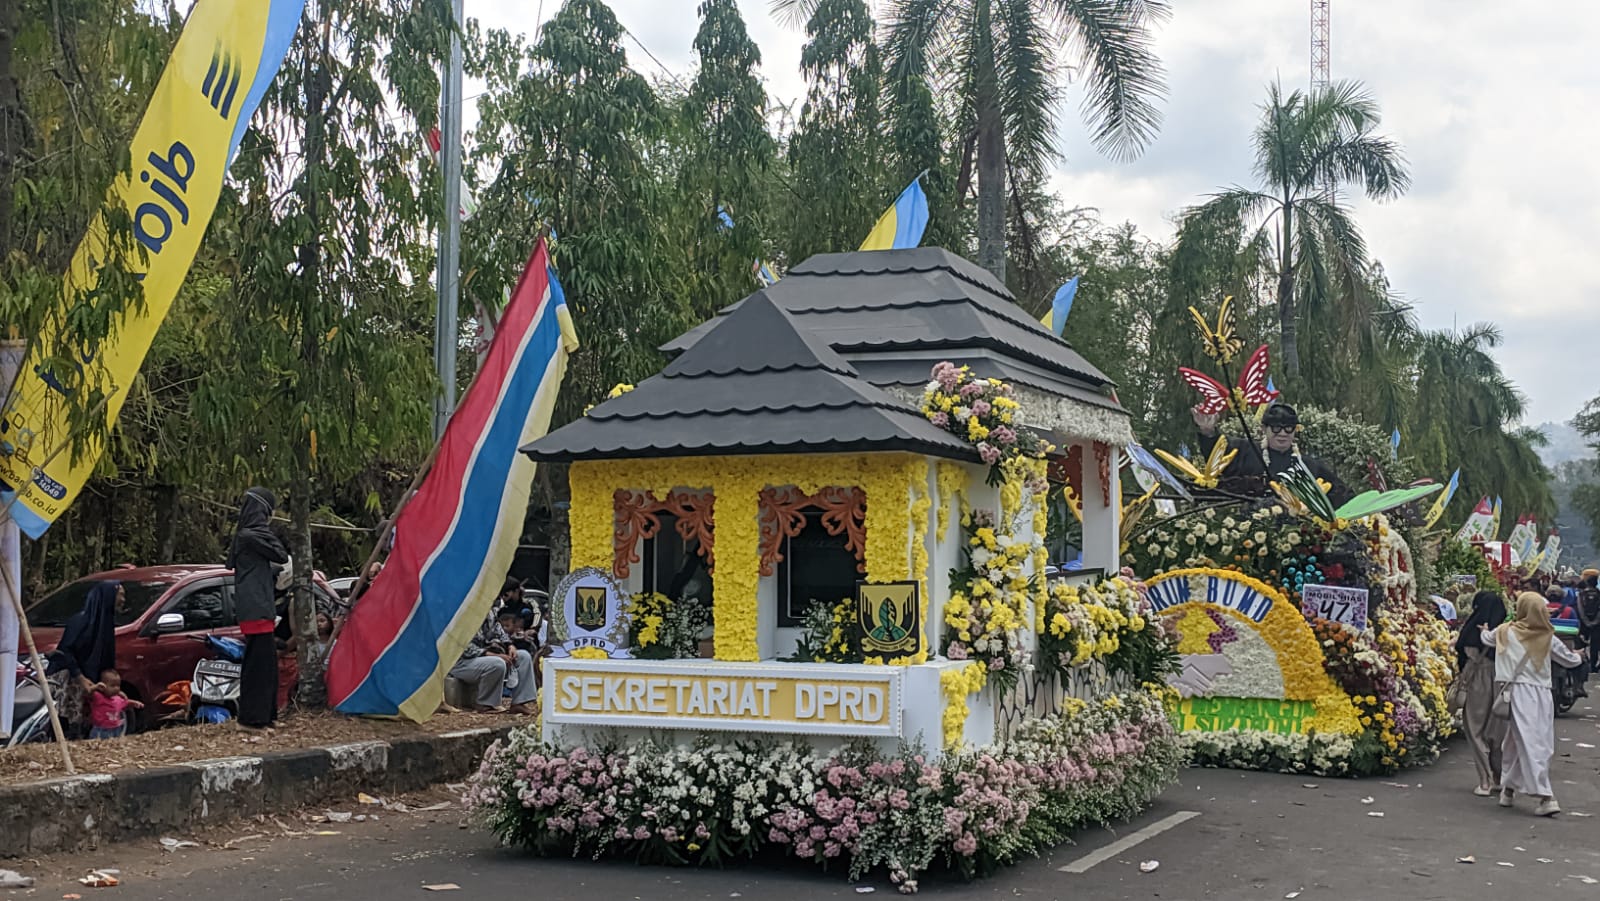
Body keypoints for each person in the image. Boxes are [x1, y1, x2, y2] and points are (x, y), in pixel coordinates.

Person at [1480, 591, 1586, 816]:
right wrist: (1580, 655)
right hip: (1540, 695)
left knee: (1516, 742)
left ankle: (1508, 790)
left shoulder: (1505, 631)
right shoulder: (1548, 637)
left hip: (1514, 693)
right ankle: (1545, 796)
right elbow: (1570, 660)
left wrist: (1484, 630)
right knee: (1535, 742)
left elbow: (1486, 639)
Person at [1193, 402, 1351, 506]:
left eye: (1288, 428)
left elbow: (1341, 494)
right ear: (1264, 429)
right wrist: (1208, 431)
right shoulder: (1245, 450)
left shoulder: (1309, 465)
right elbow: (1218, 454)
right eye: (1276, 428)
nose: (1282, 433)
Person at [228, 487, 289, 730]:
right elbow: (281, 554)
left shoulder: (249, 536)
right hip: (255, 607)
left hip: (260, 605)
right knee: (258, 666)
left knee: (267, 665)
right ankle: (251, 719)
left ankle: (267, 715)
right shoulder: (250, 535)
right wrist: (267, 529)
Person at [48, 581, 123, 737]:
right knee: (66, 724)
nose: (123, 599)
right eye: (120, 595)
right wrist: (81, 678)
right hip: (69, 677)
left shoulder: (106, 624)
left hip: (89, 681)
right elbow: (65, 651)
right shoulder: (81, 621)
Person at [1454, 591, 1508, 796]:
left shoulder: (1472, 630)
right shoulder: (1505, 632)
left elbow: (1464, 654)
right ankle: (1499, 777)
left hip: (1478, 680)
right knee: (1497, 732)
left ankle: (1484, 780)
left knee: (1475, 728)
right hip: (1502, 683)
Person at [447, 612, 537, 715]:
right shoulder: (462, 613)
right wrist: (494, 655)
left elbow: (499, 632)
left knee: (523, 657)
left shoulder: (489, 613)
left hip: (484, 657)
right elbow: (464, 648)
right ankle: (485, 704)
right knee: (497, 663)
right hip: (460, 662)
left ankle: (519, 703)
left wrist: (510, 645)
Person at [87, 669, 143, 739]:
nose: (116, 688)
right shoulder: (98, 697)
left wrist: (135, 703)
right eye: (112, 686)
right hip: (101, 730)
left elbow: (126, 703)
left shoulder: (118, 699)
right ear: (103, 686)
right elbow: (88, 693)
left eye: (118, 685)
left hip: (116, 729)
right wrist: (95, 687)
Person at [1577, 570, 1600, 673]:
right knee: (1595, 645)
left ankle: (1582, 663)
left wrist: (1586, 621)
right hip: (1597, 624)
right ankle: (1593, 665)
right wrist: (1595, 621)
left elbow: (1580, 608)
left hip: (1584, 623)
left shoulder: (1582, 594)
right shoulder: (1599, 593)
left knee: (1581, 644)